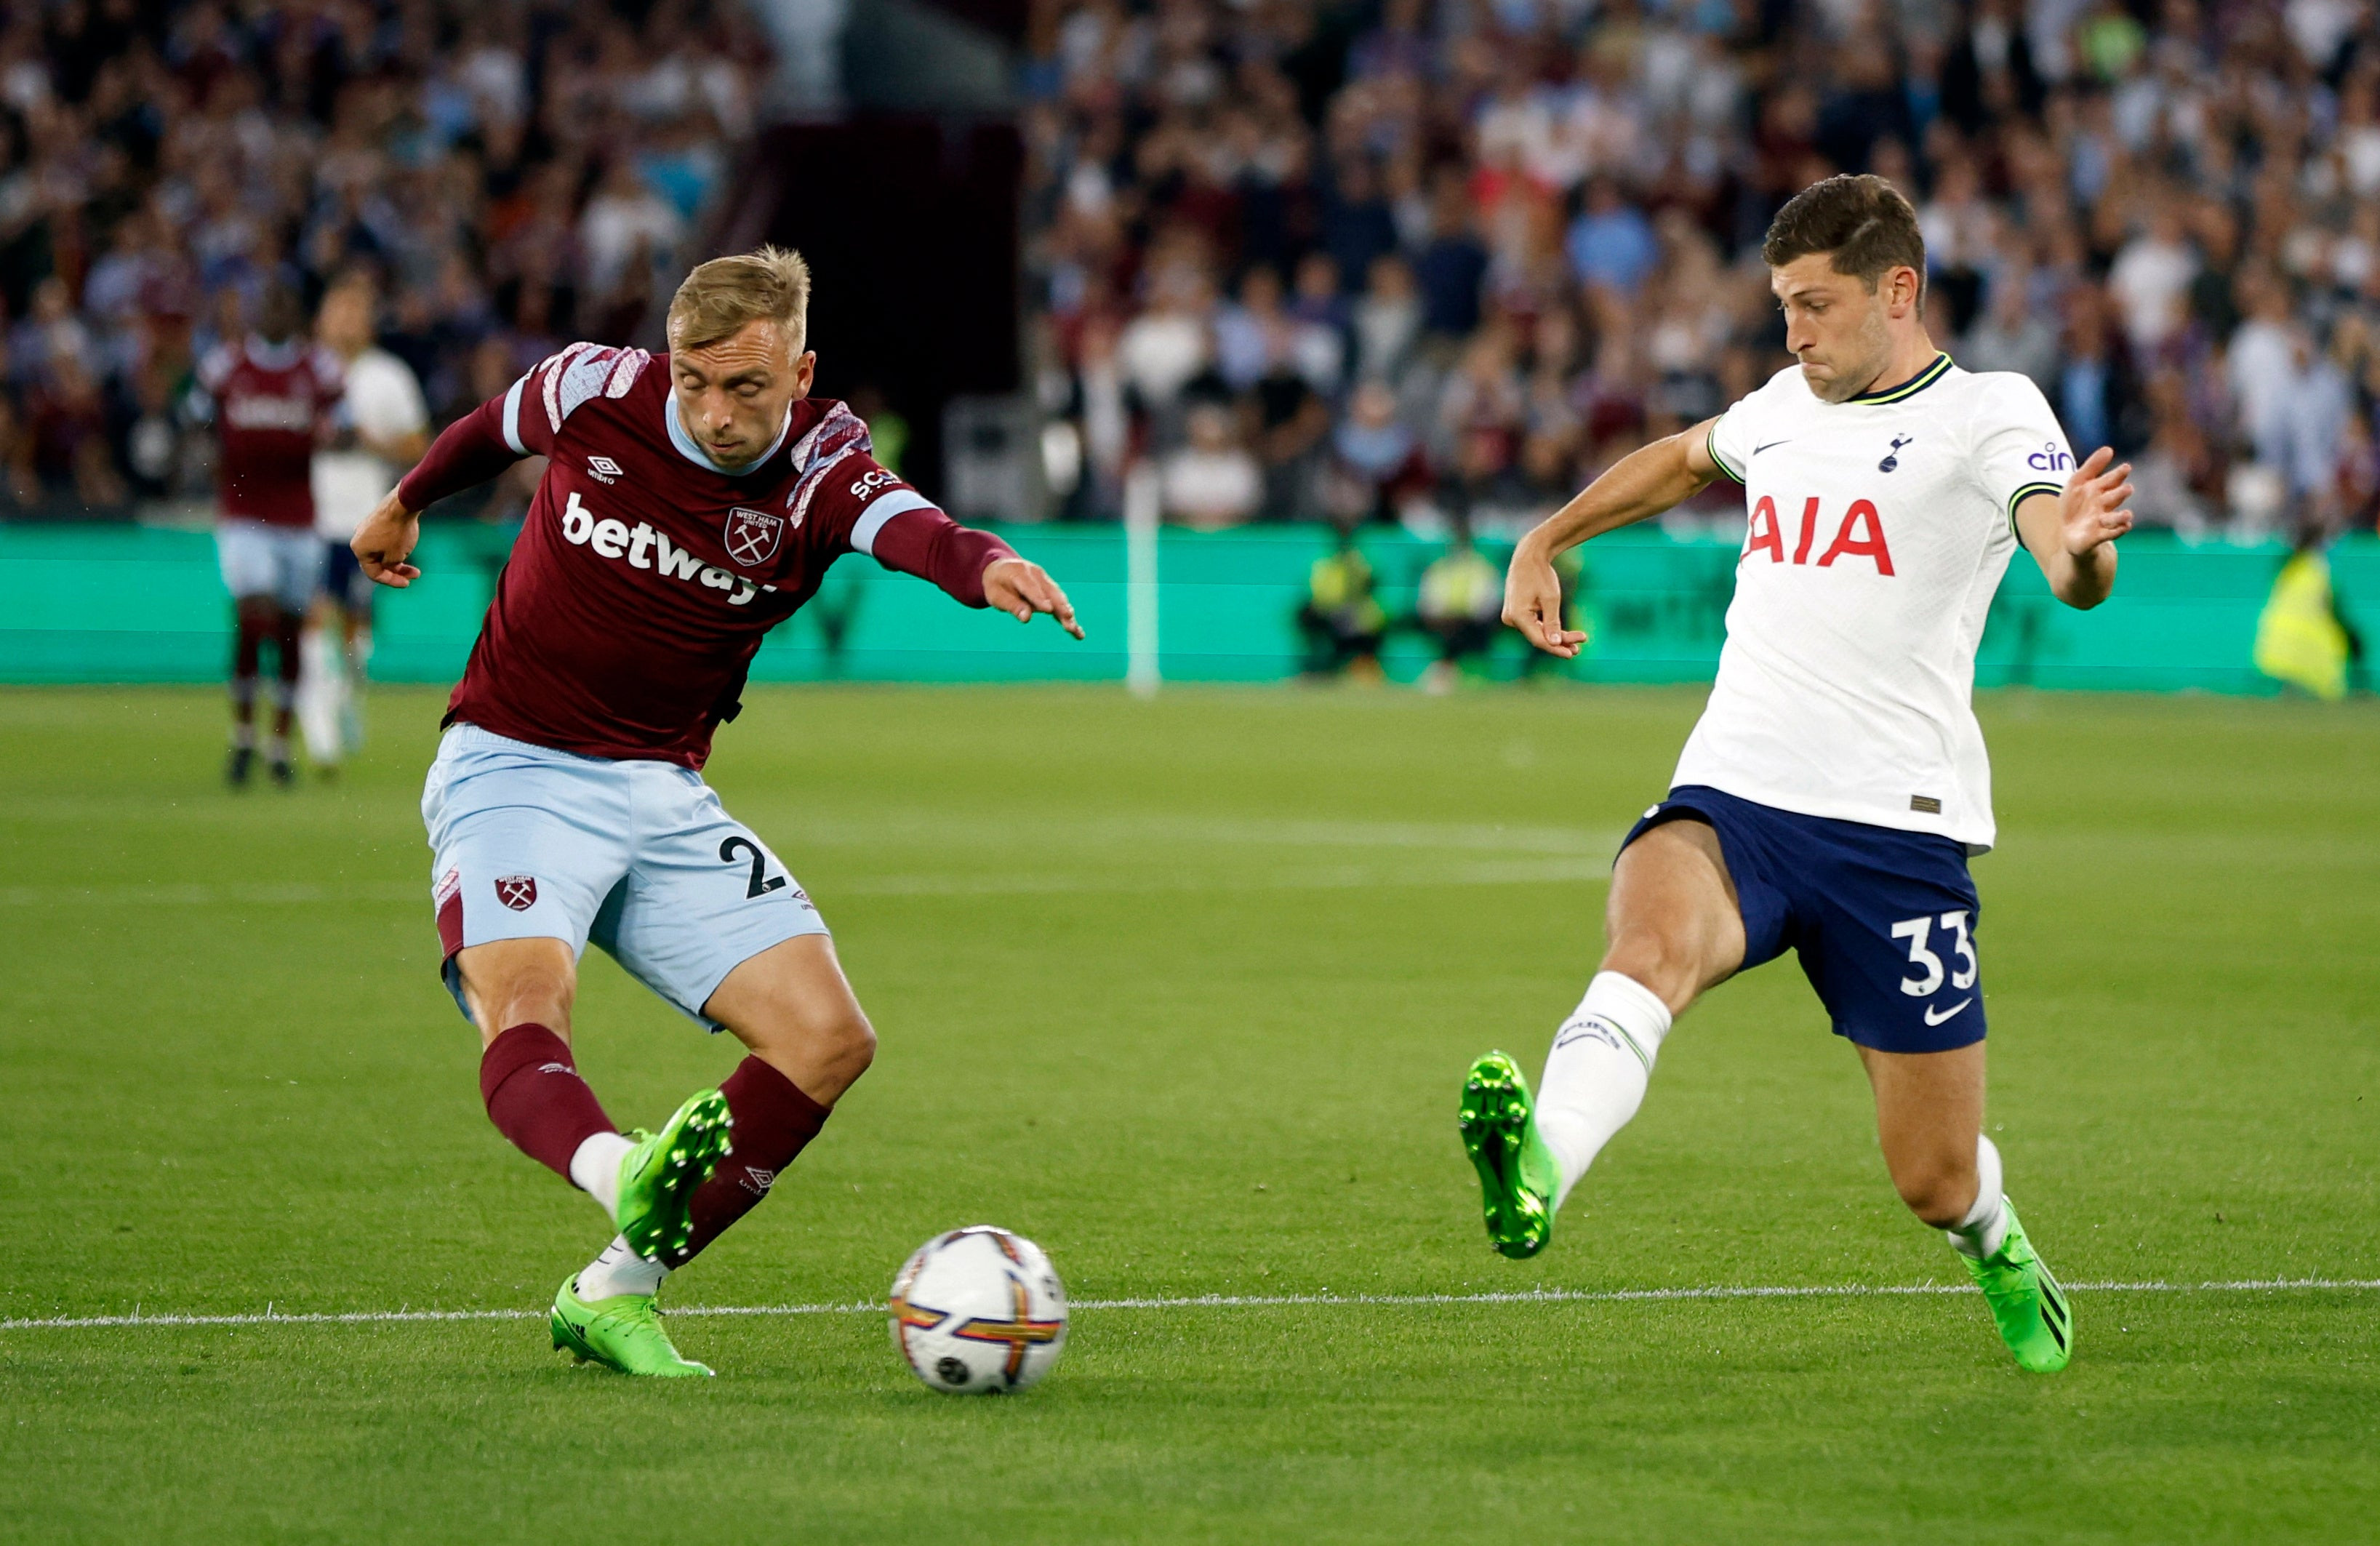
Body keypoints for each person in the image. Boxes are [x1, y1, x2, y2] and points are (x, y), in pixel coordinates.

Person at [350, 248, 1083, 1377]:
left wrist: (983, 563)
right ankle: (616, 1168)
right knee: (526, 998)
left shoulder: (821, 465)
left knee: (828, 1038)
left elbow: (911, 526)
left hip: (661, 786)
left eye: (747, 386)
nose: (715, 410)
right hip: (513, 757)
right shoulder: (600, 387)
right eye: (696, 379)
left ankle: (613, 1291)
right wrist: (403, 502)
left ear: (801, 370)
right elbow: (493, 426)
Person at [1460, 176, 2136, 1375]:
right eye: (1781, 305)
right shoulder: (1780, 402)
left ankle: (1992, 1236)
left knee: (1930, 1177)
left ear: (1896, 289)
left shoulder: (1986, 411)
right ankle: (1539, 1169)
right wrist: (1542, 537)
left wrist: (2082, 555)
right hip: (1736, 795)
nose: (1792, 332)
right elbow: (1678, 460)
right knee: (1644, 947)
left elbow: (2056, 548)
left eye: (1813, 305)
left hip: (1894, 831)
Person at [196, 284, 345, 787]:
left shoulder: (319, 369)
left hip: (299, 517)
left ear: (296, 314)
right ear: (257, 312)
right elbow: (195, 418)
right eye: (270, 301)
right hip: (243, 513)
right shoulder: (225, 365)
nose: (276, 310)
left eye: (285, 302)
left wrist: (329, 432)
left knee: (288, 630)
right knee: (251, 614)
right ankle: (242, 737)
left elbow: (344, 425)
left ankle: (279, 745)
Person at [302, 273, 429, 772]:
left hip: (366, 521)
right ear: (322, 319)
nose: (346, 321)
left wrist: (369, 442)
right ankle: (321, 734)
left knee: (356, 632)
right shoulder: (304, 370)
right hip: (310, 519)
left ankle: (348, 695)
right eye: (338, 310)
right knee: (313, 619)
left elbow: (420, 446)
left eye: (355, 312)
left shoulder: (388, 377)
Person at [1412, 521, 1503, 693]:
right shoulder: (1440, 568)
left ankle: (1446, 671)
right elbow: (1429, 599)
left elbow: (1489, 600)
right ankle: (1446, 672)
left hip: (1475, 622)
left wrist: (1466, 614)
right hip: (1445, 621)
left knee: (1462, 632)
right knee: (1450, 631)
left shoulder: (1481, 567)